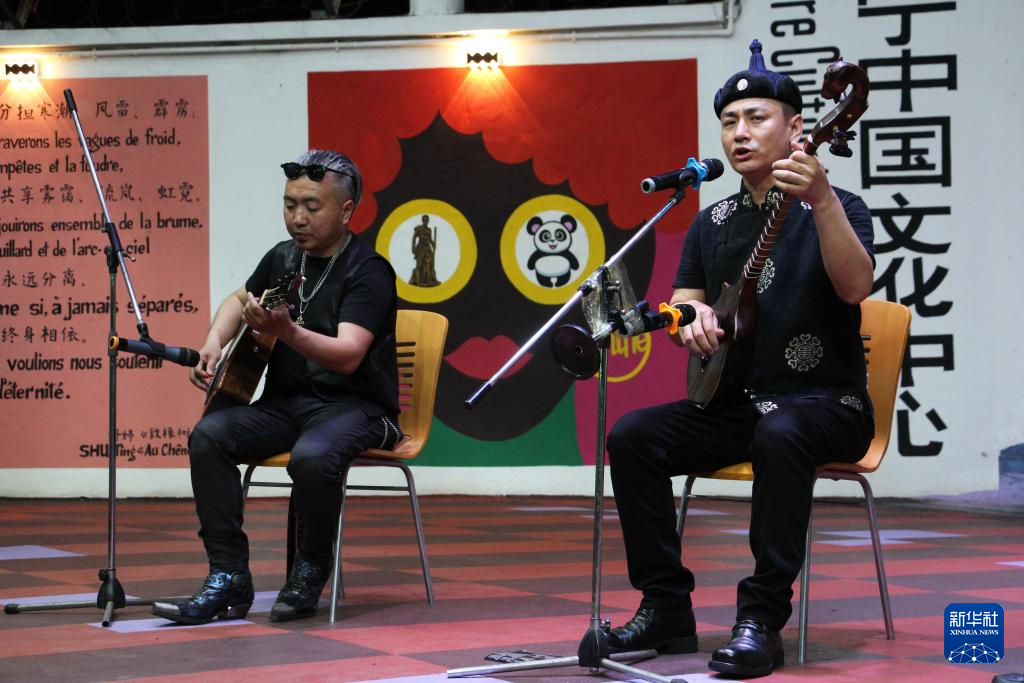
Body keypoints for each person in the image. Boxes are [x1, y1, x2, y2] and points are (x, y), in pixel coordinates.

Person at [605, 40, 875, 678]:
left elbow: (855, 288)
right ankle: (665, 606)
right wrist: (690, 320)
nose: (739, 133)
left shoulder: (839, 206)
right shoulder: (713, 221)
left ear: (797, 128)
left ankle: (761, 619)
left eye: (756, 118)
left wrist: (823, 201)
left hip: (825, 403)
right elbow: (684, 305)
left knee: (782, 432)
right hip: (738, 404)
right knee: (633, 435)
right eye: (729, 122)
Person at [153, 150, 401, 625]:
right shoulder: (284, 257)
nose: (297, 217)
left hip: (356, 408)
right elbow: (238, 301)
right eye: (290, 205)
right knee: (209, 437)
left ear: (346, 211)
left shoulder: (368, 270)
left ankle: (311, 566)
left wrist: (286, 331)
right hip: (287, 404)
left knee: (312, 458)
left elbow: (348, 354)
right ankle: (228, 573)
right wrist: (214, 340)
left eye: (312, 206)